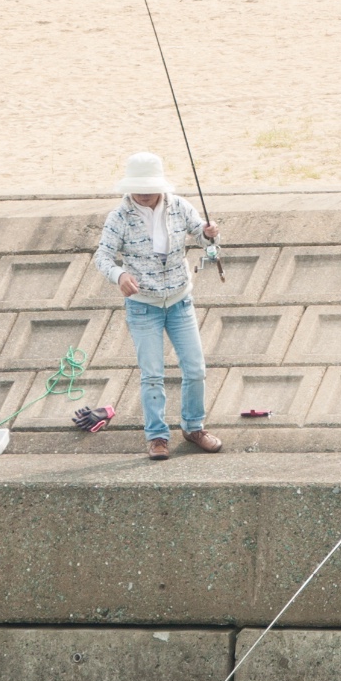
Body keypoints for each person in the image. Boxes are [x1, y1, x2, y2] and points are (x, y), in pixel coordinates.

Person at [95, 152, 224, 460]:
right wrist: (119, 274)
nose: (142, 192)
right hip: (143, 307)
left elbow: (209, 245)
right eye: (136, 186)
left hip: (180, 302)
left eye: (148, 186)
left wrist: (209, 236)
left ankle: (194, 428)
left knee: (195, 369)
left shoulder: (180, 206)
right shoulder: (119, 216)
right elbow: (102, 257)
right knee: (152, 374)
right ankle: (156, 437)